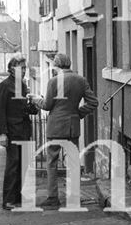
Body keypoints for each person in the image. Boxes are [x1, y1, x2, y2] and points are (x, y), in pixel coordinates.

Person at [30, 53, 98, 208]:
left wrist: (35, 98)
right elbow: (93, 102)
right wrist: (78, 114)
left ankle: (53, 198)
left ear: (56, 65)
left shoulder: (53, 81)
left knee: (52, 162)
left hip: (55, 127)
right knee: (74, 163)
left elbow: (47, 105)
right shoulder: (81, 80)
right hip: (72, 127)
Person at [0, 54, 38, 209]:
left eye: (25, 68)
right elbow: (1, 111)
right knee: (13, 165)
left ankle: (18, 196)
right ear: (12, 69)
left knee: (23, 165)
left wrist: (33, 105)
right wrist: (2, 133)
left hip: (24, 130)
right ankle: (7, 200)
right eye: (22, 68)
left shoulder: (23, 86)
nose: (25, 70)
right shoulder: (4, 86)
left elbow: (27, 109)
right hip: (12, 131)